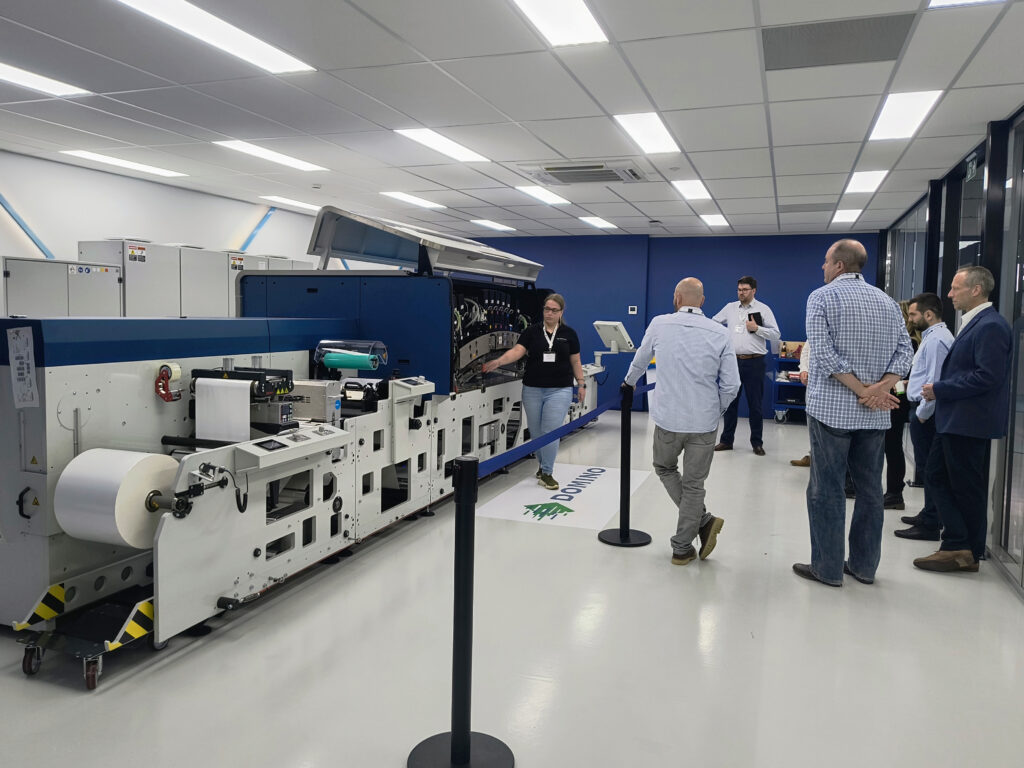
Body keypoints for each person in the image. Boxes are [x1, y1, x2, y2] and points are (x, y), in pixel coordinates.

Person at [793, 239, 913, 587]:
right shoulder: (887, 302)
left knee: (826, 489)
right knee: (871, 491)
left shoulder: (821, 297)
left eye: (826, 261)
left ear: (839, 265)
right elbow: (905, 354)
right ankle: (864, 567)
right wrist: (880, 389)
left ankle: (827, 569)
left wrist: (863, 391)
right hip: (874, 416)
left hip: (831, 411)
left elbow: (824, 354)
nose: (823, 267)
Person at [622, 278, 739, 566]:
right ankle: (683, 546)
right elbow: (731, 384)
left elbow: (641, 360)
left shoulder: (659, 324)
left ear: (676, 298)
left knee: (664, 467)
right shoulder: (720, 332)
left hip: (668, 419)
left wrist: (629, 383)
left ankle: (701, 525)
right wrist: (716, 410)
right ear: (703, 301)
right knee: (695, 484)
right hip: (704, 422)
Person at [914, 266, 1011, 573]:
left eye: (955, 288)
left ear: (976, 290)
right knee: (937, 476)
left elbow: (987, 377)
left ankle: (963, 549)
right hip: (956, 420)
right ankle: (959, 544)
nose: (950, 294)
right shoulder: (977, 323)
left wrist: (940, 389)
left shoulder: (991, 326)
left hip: (969, 422)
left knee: (964, 485)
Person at [482, 293, 585, 491]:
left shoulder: (569, 334)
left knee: (550, 431)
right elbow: (517, 351)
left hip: (560, 389)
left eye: (554, 310)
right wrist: (499, 361)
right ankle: (542, 464)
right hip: (533, 389)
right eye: (547, 309)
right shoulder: (532, 332)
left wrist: (581, 384)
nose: (549, 313)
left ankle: (547, 473)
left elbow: (576, 361)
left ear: (561, 312)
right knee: (536, 432)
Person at [894, 293, 953, 542]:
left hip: (926, 415)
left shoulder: (937, 340)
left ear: (928, 315)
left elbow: (935, 382)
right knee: (928, 469)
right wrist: (912, 384)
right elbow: (926, 375)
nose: (910, 319)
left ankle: (931, 523)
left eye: (914, 314)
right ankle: (929, 513)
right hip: (922, 410)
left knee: (931, 470)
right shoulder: (932, 337)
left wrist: (921, 414)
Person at [712, 276, 780, 456]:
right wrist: (724, 334)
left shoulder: (763, 309)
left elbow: (776, 334)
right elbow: (714, 322)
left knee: (755, 405)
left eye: (745, 290)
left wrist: (757, 329)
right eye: (739, 290)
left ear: (753, 291)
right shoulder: (730, 308)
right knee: (730, 403)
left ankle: (757, 443)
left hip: (754, 362)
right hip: (732, 362)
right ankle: (726, 441)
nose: (741, 293)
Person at [791, 341, 811, 467]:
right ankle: (813, 455)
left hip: (832, 383)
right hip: (812, 383)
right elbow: (805, 351)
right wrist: (803, 369)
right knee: (812, 421)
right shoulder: (816, 331)